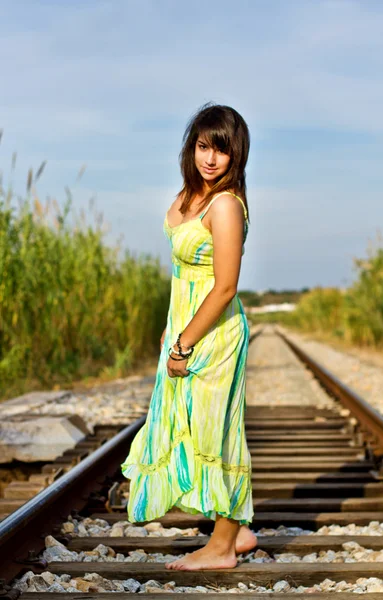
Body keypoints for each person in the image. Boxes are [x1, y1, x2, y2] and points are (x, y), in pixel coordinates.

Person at [121, 102, 255, 571]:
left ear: (235, 154)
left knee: (218, 433)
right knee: (189, 425)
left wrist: (185, 342)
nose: (211, 158)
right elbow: (183, 274)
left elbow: (224, 287)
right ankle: (235, 527)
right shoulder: (188, 196)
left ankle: (221, 548)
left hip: (213, 333)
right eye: (203, 146)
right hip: (186, 324)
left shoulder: (225, 205)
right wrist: (170, 327)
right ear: (191, 147)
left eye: (221, 149)